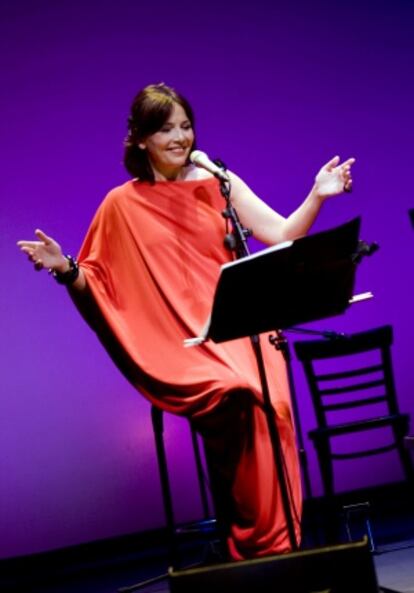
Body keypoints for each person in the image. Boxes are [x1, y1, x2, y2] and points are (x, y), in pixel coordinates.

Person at [17, 83, 354, 561]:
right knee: (241, 395)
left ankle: (282, 553)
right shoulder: (122, 204)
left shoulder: (219, 182)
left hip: (248, 332)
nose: (179, 137)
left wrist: (318, 196)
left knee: (268, 408)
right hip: (187, 347)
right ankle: (259, 556)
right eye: (165, 129)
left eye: (185, 126)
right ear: (139, 139)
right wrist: (65, 268)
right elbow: (98, 286)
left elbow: (279, 235)